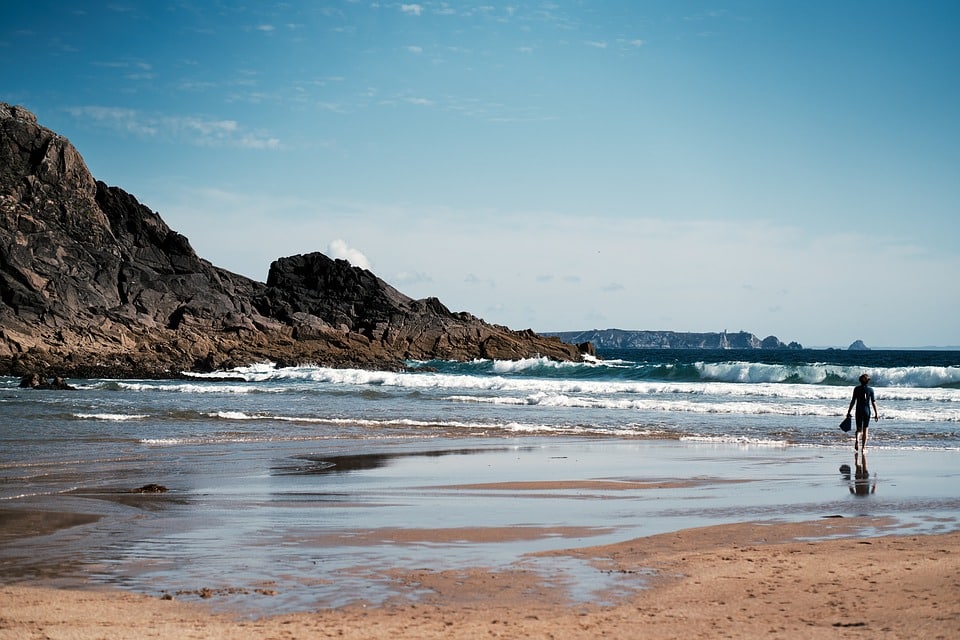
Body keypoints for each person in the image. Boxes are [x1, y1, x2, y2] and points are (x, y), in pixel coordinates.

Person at [846, 373, 878, 451]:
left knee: (859, 429)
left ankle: (857, 440)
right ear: (868, 381)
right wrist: (876, 413)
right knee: (865, 429)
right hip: (867, 411)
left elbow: (853, 401)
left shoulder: (856, 389)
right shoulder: (870, 390)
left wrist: (849, 411)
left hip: (858, 410)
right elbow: (873, 402)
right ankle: (863, 447)